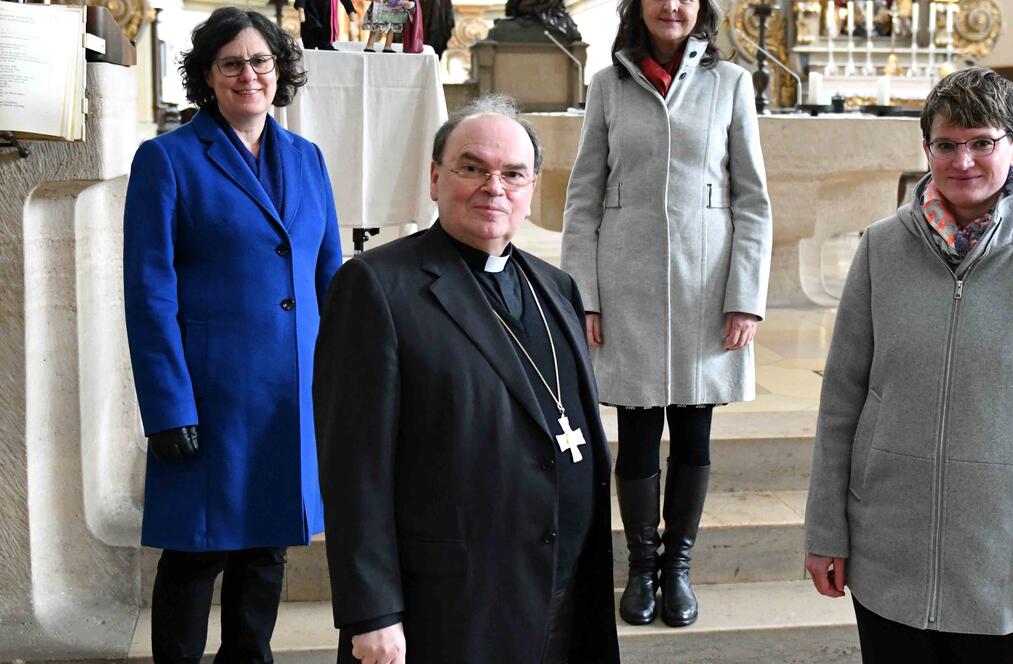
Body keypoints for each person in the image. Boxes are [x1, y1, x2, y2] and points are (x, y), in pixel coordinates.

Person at [803, 67, 1013, 663]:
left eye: (982, 142)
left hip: (1009, 559)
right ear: (927, 150)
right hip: (889, 552)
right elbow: (842, 399)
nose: (963, 160)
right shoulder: (881, 248)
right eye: (946, 144)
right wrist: (825, 531)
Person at [313, 95, 620, 664]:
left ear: (532, 188)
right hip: (453, 603)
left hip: (561, 587)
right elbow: (354, 469)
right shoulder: (376, 286)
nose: (493, 187)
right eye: (472, 168)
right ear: (435, 178)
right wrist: (373, 611)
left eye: (512, 174)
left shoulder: (558, 288)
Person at [123, 8, 342, 662]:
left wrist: (341, 382)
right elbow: (148, 291)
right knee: (198, 550)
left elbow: (330, 277)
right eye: (232, 63)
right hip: (209, 395)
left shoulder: (307, 159)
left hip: (289, 392)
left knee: (267, 547)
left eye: (260, 62)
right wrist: (167, 406)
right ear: (208, 76)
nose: (249, 75)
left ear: (280, 71)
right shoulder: (167, 160)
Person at [560, 0, 772, 628]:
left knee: (695, 431)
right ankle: (641, 566)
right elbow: (583, 200)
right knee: (639, 430)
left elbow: (752, 199)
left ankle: (678, 565)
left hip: (706, 286)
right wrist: (584, 297)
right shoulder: (607, 85)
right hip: (626, 284)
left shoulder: (731, 82)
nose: (672, 5)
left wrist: (745, 297)